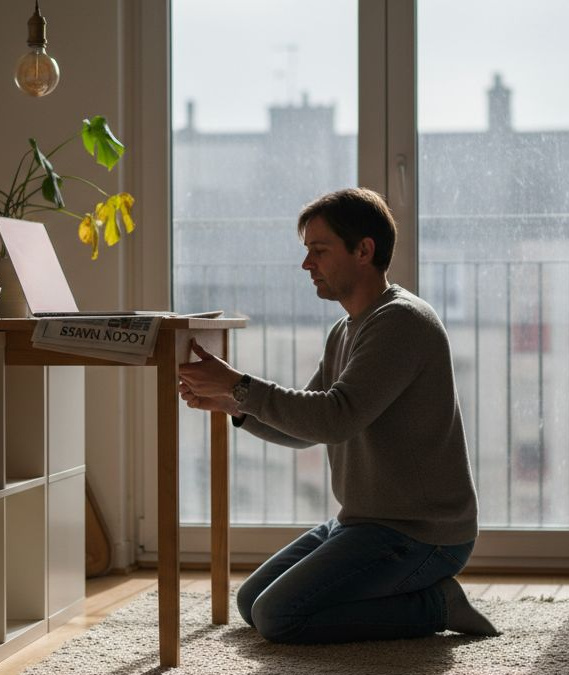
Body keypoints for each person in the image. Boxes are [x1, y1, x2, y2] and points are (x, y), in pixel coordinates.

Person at [177, 187, 499, 644]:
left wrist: (239, 386)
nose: (308, 265)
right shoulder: (345, 329)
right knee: (252, 602)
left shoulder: (402, 322)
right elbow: (308, 429)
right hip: (364, 521)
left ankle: (435, 604)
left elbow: (334, 419)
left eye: (319, 250)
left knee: (278, 617)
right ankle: (407, 597)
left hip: (422, 534)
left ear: (363, 250)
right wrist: (233, 403)